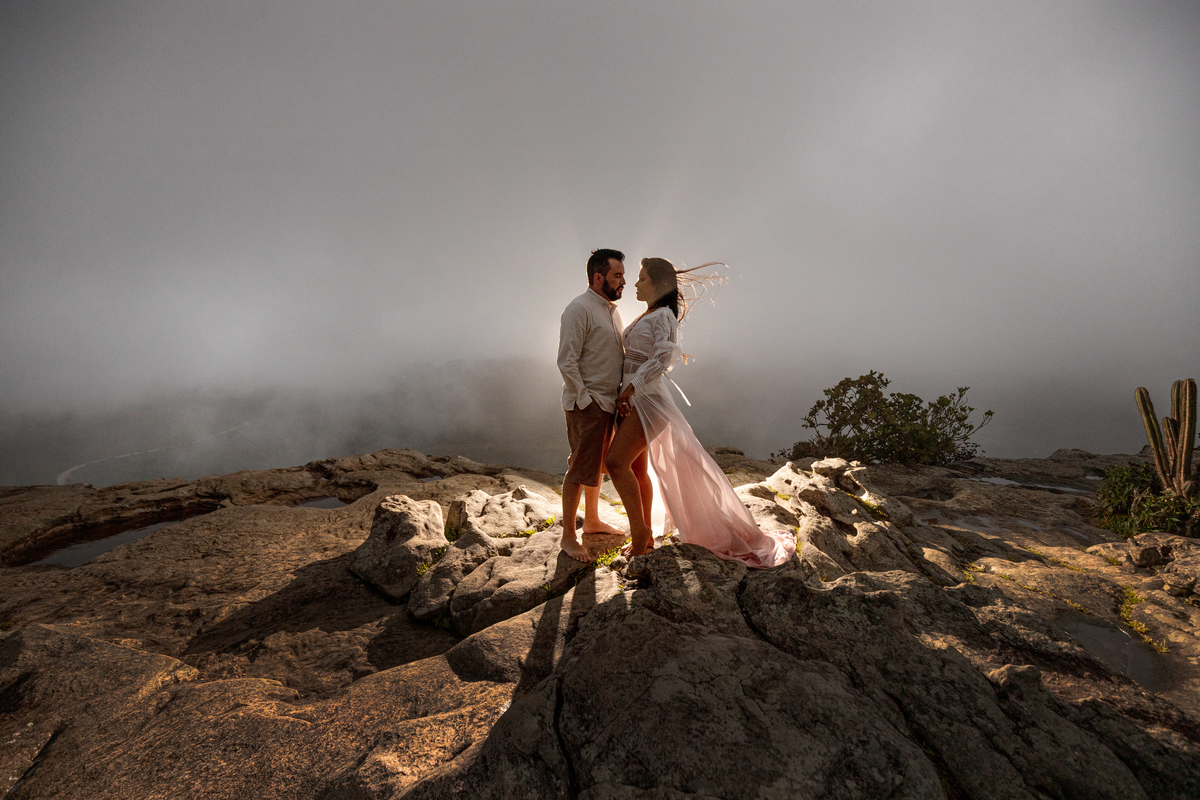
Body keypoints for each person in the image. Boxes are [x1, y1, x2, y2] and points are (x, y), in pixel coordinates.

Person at [605, 257, 796, 567]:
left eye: (642, 278)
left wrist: (633, 387)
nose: (636, 284)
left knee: (615, 463)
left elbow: (663, 357)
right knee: (638, 470)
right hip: (635, 399)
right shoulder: (650, 313)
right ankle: (646, 535)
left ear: (658, 283)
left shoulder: (664, 316)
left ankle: (640, 536)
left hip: (648, 401)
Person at [557, 248, 628, 561]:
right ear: (598, 277)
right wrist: (586, 402)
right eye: (617, 275)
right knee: (579, 467)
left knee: (596, 466)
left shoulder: (611, 310)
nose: (623, 281)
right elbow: (566, 360)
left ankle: (593, 521)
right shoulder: (579, 308)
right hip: (588, 404)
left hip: (607, 403)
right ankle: (568, 537)